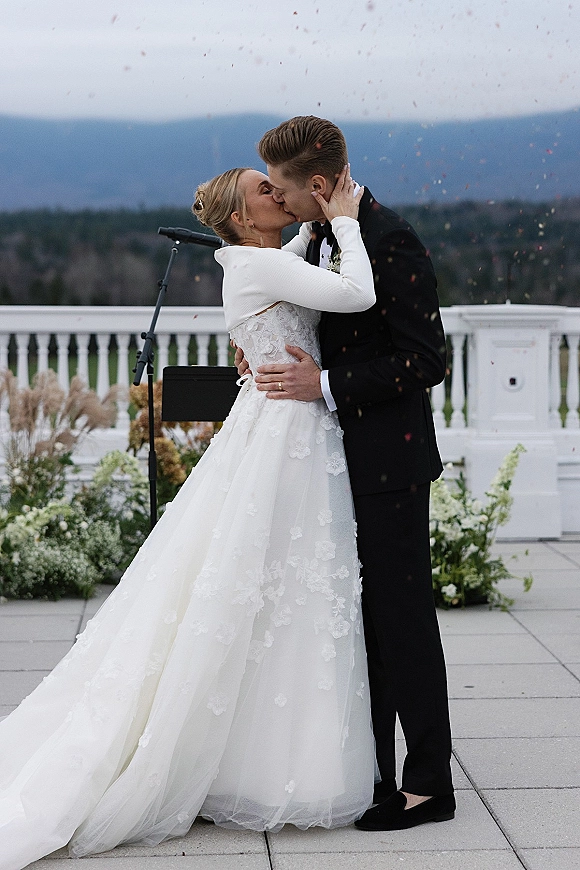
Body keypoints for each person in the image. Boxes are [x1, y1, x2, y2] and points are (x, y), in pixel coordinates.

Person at [0, 166, 377, 870]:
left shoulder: (258, 260)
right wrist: (348, 219)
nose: (277, 193)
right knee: (279, 590)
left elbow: (296, 266)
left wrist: (316, 226)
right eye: (264, 190)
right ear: (240, 216)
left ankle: (263, 759)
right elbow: (356, 295)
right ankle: (265, 764)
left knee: (285, 598)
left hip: (284, 430)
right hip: (286, 441)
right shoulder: (260, 264)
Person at [235, 116, 455, 831]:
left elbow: (428, 361)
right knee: (359, 626)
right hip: (332, 461)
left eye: (287, 190)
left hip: (389, 462)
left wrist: (326, 384)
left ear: (322, 186)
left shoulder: (389, 239)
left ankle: (429, 786)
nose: (280, 198)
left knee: (403, 621)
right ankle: (377, 775)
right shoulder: (325, 235)